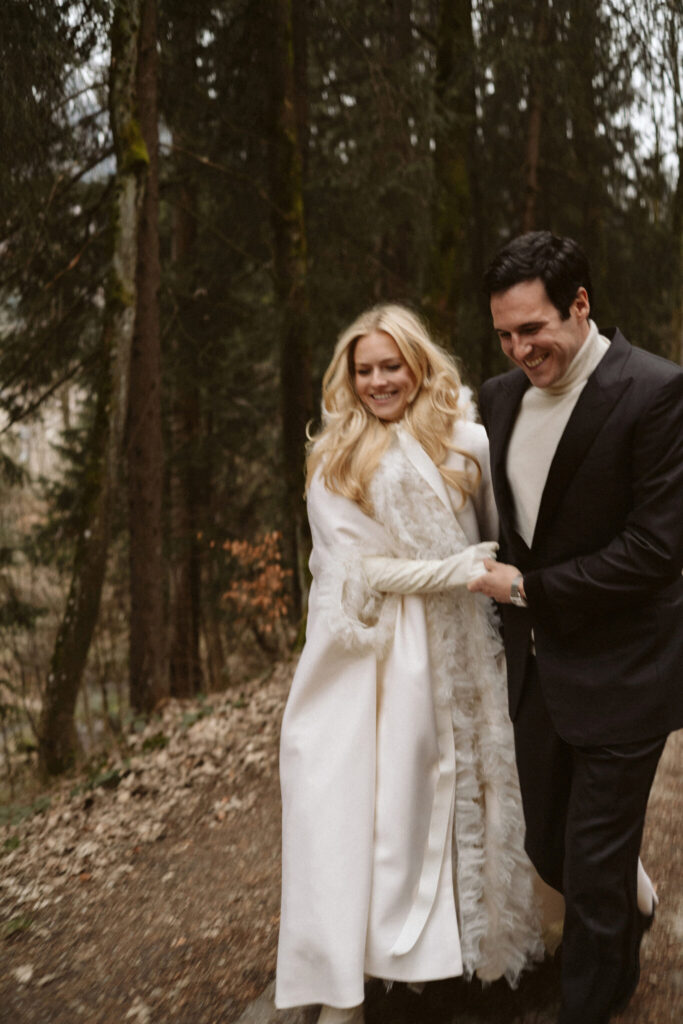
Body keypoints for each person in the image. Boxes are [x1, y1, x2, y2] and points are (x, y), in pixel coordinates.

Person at [275, 304, 544, 1023]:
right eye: (364, 370)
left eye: (390, 366)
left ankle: (478, 955)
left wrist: (487, 581)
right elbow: (354, 567)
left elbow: (499, 532)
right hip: (390, 653)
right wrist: (452, 569)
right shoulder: (337, 454)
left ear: (418, 365)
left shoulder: (467, 440)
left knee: (489, 786)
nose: (377, 382)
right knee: (397, 803)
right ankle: (392, 964)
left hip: (472, 640)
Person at [468, 230, 683, 1024]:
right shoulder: (497, 399)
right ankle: (622, 929)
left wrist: (530, 590)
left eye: (532, 328)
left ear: (580, 305)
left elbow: (654, 549)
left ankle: (589, 1001)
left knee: (592, 863)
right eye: (504, 334)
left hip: (627, 670)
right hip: (536, 669)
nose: (519, 349)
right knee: (547, 846)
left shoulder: (655, 391)